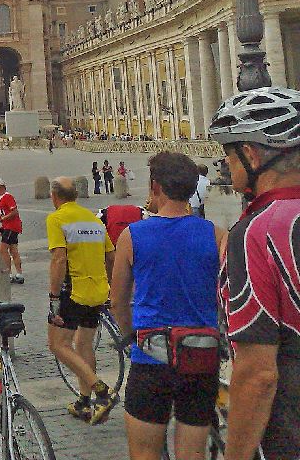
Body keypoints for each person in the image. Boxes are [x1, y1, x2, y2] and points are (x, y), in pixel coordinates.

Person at [109, 151, 225, 460]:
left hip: (151, 357)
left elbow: (118, 300)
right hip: (200, 357)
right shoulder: (216, 235)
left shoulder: (132, 235)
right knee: (192, 454)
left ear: (155, 187)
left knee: (145, 454)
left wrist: (128, 332)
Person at [208, 87, 300, 460]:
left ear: (250, 154)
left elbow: (258, 374)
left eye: (228, 157)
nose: (225, 167)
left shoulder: (257, 233)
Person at [46, 176, 118, 425]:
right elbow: (111, 256)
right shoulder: (94, 220)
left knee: (58, 345)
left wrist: (54, 295)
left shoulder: (57, 218)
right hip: (97, 290)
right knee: (84, 345)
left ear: (55, 197)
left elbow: (59, 259)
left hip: (72, 290)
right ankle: (84, 403)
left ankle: (101, 391)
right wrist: (108, 285)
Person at [0, 179, 23, 284]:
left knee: (2, 249)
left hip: (11, 226)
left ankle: (8, 274)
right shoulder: (1, 198)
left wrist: (2, 219)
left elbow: (14, 212)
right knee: (13, 249)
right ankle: (19, 274)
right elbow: (4, 213)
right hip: (9, 226)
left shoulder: (7, 197)